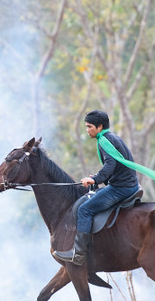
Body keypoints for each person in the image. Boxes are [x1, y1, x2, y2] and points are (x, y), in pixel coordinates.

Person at [53, 110, 141, 266]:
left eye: (89, 126)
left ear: (99, 126)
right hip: (128, 184)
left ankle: (78, 254)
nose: (87, 130)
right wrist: (97, 178)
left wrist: (95, 178)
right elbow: (115, 165)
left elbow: (110, 164)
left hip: (121, 188)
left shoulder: (104, 141)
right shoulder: (110, 137)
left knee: (84, 210)